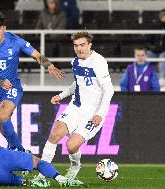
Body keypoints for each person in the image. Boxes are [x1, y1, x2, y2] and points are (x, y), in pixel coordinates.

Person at [34, 32, 114, 182]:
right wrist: (61, 95)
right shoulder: (75, 62)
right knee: (55, 134)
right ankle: (41, 175)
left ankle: (75, 165)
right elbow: (77, 84)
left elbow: (109, 90)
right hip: (75, 108)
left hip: (93, 114)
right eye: (76, 45)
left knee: (71, 146)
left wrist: (101, 114)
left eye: (82, 45)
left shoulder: (99, 62)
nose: (79, 49)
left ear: (90, 45)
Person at [0, 11, 63, 152]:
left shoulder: (14, 40)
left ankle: (19, 153)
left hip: (12, 86)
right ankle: (20, 152)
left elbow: (36, 55)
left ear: (4, 28)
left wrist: (49, 65)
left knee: (3, 114)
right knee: (3, 129)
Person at [147, 9, 165, 86]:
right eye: (162, 15)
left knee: (162, 58)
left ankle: (162, 78)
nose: (164, 17)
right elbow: (149, 39)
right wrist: (151, 47)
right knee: (146, 55)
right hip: (155, 50)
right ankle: (141, 76)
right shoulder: (155, 26)